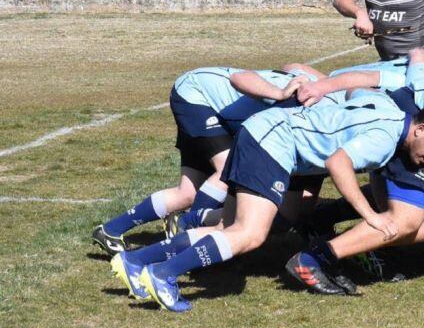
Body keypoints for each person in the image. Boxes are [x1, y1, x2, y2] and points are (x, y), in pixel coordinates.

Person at [112, 91, 424, 312]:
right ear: (420, 129)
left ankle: (137, 260)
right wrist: (371, 216)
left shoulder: (390, 110)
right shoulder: (386, 136)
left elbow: (356, 91)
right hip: (273, 143)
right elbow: (337, 163)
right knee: (250, 234)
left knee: (225, 228)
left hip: (263, 132)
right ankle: (163, 275)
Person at [91, 65, 316, 254]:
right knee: (229, 170)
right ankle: (188, 234)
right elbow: (239, 76)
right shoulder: (303, 97)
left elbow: (292, 65)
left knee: (187, 193)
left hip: (206, 102)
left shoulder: (322, 95)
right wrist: (279, 93)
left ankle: (110, 230)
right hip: (195, 96)